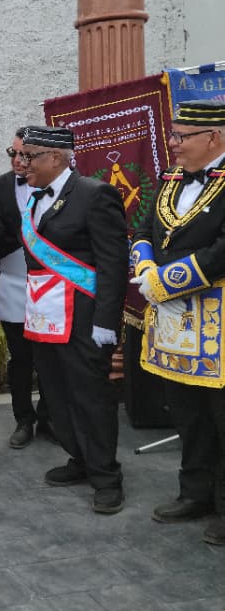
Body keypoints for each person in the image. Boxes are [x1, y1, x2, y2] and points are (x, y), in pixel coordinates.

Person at [19, 125, 129, 515]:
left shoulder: (95, 194)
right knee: (56, 393)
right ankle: (79, 458)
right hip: (45, 315)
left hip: (83, 318)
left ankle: (106, 476)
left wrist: (106, 321)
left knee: (90, 397)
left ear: (56, 158)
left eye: (29, 155)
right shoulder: (35, 199)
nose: (22, 162)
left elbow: (113, 263)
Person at [131, 101, 225, 543]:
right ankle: (196, 493)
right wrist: (145, 267)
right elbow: (144, 230)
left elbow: (220, 251)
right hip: (172, 323)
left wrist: (164, 281)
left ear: (214, 138)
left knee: (221, 417)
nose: (172, 144)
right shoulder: (170, 181)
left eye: (180, 136)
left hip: (218, 323)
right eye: (171, 135)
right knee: (187, 414)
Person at [0, 129, 53, 448]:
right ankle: (23, 420)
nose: (17, 160)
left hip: (52, 285)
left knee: (50, 355)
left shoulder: (58, 187)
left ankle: (50, 417)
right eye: (12, 153)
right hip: (13, 281)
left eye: (24, 154)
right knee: (20, 357)